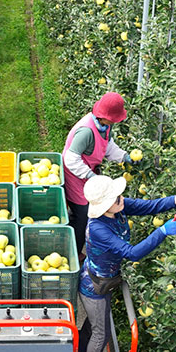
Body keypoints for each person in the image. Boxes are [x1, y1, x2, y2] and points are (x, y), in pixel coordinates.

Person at [77, 175, 176, 352]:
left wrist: (175, 200)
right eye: (114, 197)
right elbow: (133, 253)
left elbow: (148, 206)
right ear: (104, 205)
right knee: (102, 332)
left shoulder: (119, 206)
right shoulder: (99, 228)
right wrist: (162, 231)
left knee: (94, 323)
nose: (121, 198)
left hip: (104, 280)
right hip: (94, 286)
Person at [63, 92, 136, 258]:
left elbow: (107, 146)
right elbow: (71, 158)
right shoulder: (86, 132)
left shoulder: (104, 126)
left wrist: (124, 156)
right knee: (82, 214)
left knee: (89, 211)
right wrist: (90, 176)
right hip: (75, 174)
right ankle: (72, 254)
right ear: (106, 116)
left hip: (88, 173)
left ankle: (81, 247)